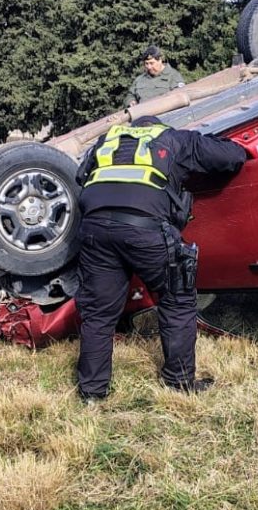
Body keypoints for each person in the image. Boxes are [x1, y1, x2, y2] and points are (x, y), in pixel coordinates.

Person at [74, 115, 247, 399]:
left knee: (98, 314)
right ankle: (179, 382)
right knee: (177, 300)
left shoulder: (107, 142)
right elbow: (232, 157)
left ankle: (92, 393)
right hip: (145, 230)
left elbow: (81, 178)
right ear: (158, 127)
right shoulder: (174, 139)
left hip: (95, 229)